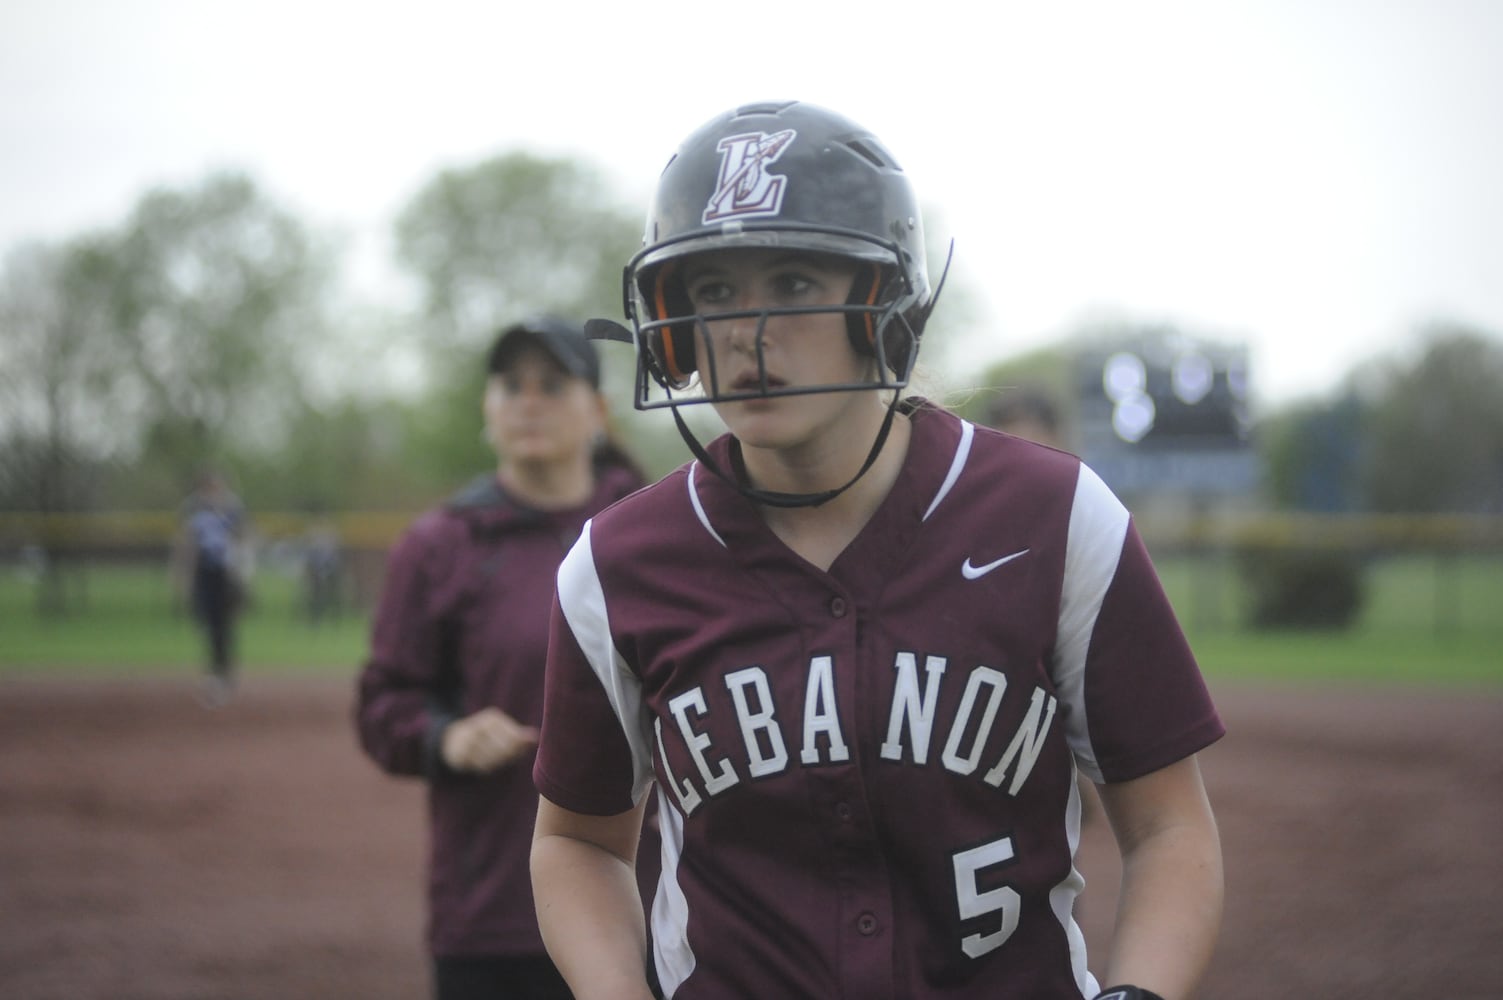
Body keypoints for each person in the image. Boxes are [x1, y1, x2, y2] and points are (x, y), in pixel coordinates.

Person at [530, 101, 1225, 1000]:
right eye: (712, 293)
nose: (748, 332)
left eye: (790, 283)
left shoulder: (1052, 517)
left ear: (883, 300)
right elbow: (577, 840)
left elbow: (1169, 826)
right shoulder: (616, 565)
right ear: (672, 320)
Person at [356, 318, 647, 1000]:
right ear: (487, 408)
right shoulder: (440, 544)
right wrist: (445, 736)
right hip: (492, 910)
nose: (527, 401)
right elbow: (381, 702)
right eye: (510, 385)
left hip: (641, 900)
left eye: (552, 384)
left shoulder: (648, 534)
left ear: (597, 412)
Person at [176, 468, 248, 707]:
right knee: (207, 622)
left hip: (226, 574)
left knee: (224, 625)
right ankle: (214, 672)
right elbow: (187, 543)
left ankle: (223, 672)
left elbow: (243, 539)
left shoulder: (232, 508)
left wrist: (243, 574)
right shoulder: (194, 508)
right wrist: (183, 576)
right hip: (204, 572)